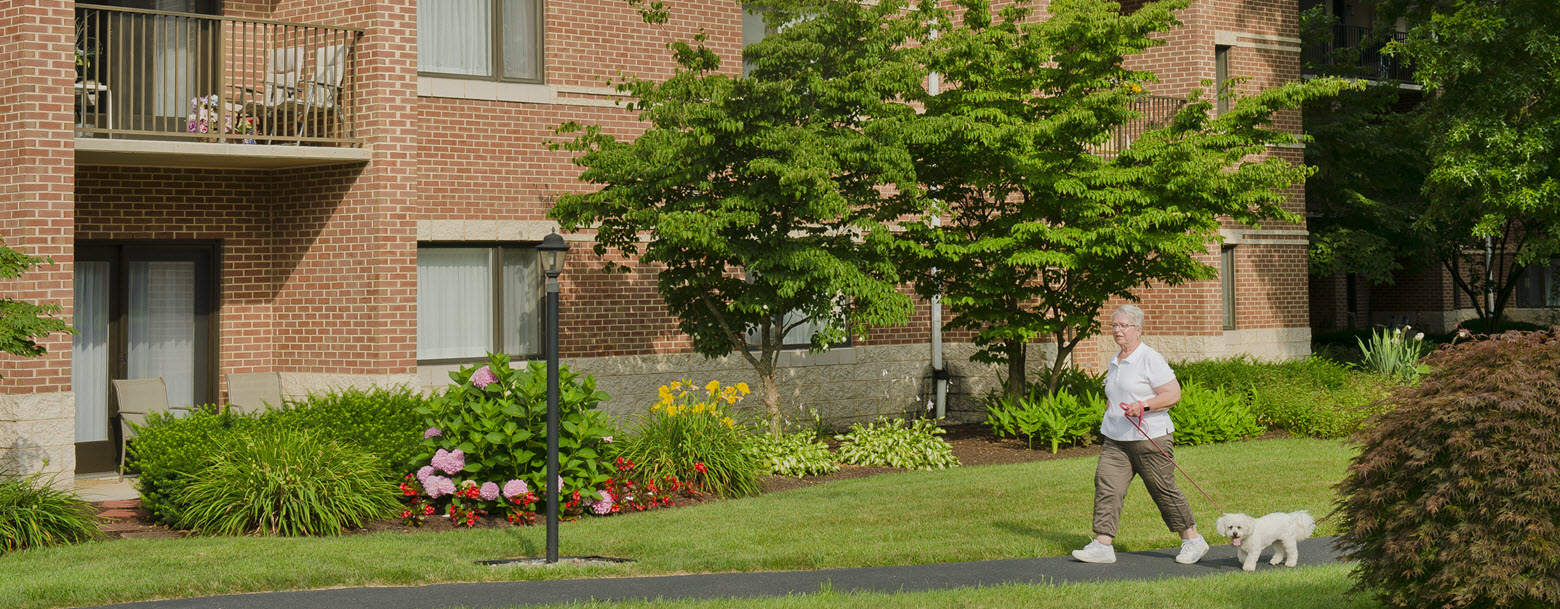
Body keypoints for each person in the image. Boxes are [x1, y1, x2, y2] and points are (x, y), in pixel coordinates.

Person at [1071, 304, 1208, 565]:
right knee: (1107, 486)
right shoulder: (1116, 359)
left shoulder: (1149, 358)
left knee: (1163, 490)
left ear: (1138, 330)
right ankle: (1102, 544)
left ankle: (1193, 540)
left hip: (1150, 438)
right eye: (1114, 325)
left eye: (1123, 326)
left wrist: (1143, 406)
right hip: (1116, 439)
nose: (1117, 330)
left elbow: (1172, 394)